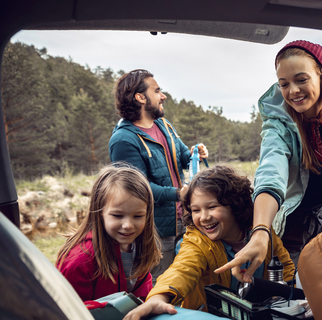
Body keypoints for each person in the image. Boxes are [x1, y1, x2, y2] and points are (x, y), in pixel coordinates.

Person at [217, 40, 322, 283]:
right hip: (290, 228)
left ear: (321, 75)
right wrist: (261, 231)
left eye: (301, 79)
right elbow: (270, 175)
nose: (292, 91)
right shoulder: (279, 126)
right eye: (284, 84)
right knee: (292, 293)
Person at [123, 165, 295, 319]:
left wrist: (290, 300)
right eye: (195, 210)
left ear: (235, 205)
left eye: (212, 207)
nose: (204, 217)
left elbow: (284, 267)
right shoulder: (197, 241)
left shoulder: (260, 232)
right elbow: (181, 270)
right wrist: (157, 298)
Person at [109, 69, 209, 281]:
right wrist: (178, 193)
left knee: (185, 279)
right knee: (158, 284)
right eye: (157, 91)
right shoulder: (123, 140)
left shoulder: (163, 125)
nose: (163, 96)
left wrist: (195, 153)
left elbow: (181, 155)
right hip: (156, 230)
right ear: (141, 97)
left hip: (184, 221)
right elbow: (135, 190)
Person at [56, 164, 161, 301]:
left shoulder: (137, 247)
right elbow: (70, 309)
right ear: (99, 212)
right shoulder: (80, 260)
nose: (128, 225)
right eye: (117, 215)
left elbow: (143, 293)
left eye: (138, 216)